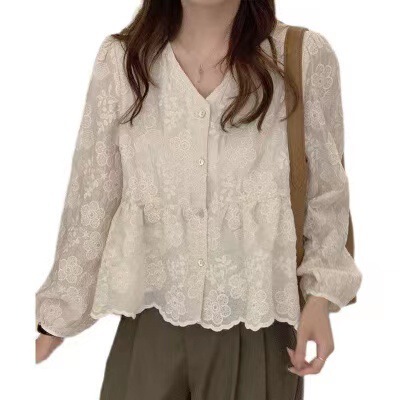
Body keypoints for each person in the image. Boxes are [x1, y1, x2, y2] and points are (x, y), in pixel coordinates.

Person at [35, 1, 363, 399]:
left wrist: (320, 297)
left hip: (259, 322)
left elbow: (327, 192)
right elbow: (93, 197)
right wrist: (55, 319)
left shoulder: (301, 56)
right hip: (148, 317)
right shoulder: (123, 61)